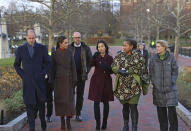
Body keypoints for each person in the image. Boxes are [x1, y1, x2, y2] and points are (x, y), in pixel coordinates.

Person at [14, 29, 51, 131]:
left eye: (33, 38)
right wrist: (23, 75)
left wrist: (43, 73)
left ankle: (44, 128)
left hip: (40, 84)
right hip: (28, 84)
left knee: (42, 112)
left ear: (35, 37)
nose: (31, 40)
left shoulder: (42, 48)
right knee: (30, 111)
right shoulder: (20, 49)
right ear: (26, 37)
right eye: (29, 38)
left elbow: (48, 62)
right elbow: (16, 65)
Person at [111, 39, 149, 131]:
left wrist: (128, 71)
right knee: (125, 106)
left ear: (131, 46)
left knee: (133, 106)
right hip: (122, 86)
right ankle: (126, 125)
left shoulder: (138, 56)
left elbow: (142, 68)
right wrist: (119, 70)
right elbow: (113, 66)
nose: (123, 47)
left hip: (134, 86)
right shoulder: (119, 55)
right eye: (123, 45)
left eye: (126, 45)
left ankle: (134, 127)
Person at [149, 40, 179, 131]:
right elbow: (151, 72)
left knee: (172, 113)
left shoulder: (171, 58)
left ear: (164, 47)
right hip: (158, 90)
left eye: (158, 46)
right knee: (161, 114)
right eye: (156, 46)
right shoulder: (153, 58)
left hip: (170, 89)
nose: (156, 48)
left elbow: (175, 71)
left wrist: (172, 81)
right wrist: (154, 82)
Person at [51, 36, 77, 130]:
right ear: (60, 43)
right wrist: (52, 81)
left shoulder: (70, 52)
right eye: (65, 43)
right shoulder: (54, 54)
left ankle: (68, 121)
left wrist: (74, 79)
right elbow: (52, 69)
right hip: (58, 81)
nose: (67, 44)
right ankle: (62, 121)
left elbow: (73, 66)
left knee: (69, 102)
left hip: (69, 80)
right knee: (60, 101)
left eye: (67, 42)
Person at [88, 40, 114, 130]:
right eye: (99, 47)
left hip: (106, 82)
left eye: (102, 46)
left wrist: (105, 66)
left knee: (106, 103)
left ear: (105, 47)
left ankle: (105, 122)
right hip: (96, 82)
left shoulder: (110, 58)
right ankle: (98, 123)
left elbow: (112, 71)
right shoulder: (96, 57)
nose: (100, 48)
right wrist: (93, 57)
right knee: (96, 103)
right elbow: (90, 64)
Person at [68, 32, 92, 121]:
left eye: (78, 37)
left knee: (80, 95)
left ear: (81, 38)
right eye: (75, 38)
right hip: (71, 76)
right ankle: (70, 111)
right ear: (73, 38)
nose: (77, 39)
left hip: (82, 76)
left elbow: (90, 60)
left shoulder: (86, 48)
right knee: (70, 95)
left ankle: (78, 114)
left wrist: (87, 70)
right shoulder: (69, 48)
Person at [45, 47, 56, 123]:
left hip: (51, 81)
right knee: (40, 99)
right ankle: (35, 115)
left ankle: (48, 115)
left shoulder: (53, 58)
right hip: (43, 81)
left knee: (49, 99)